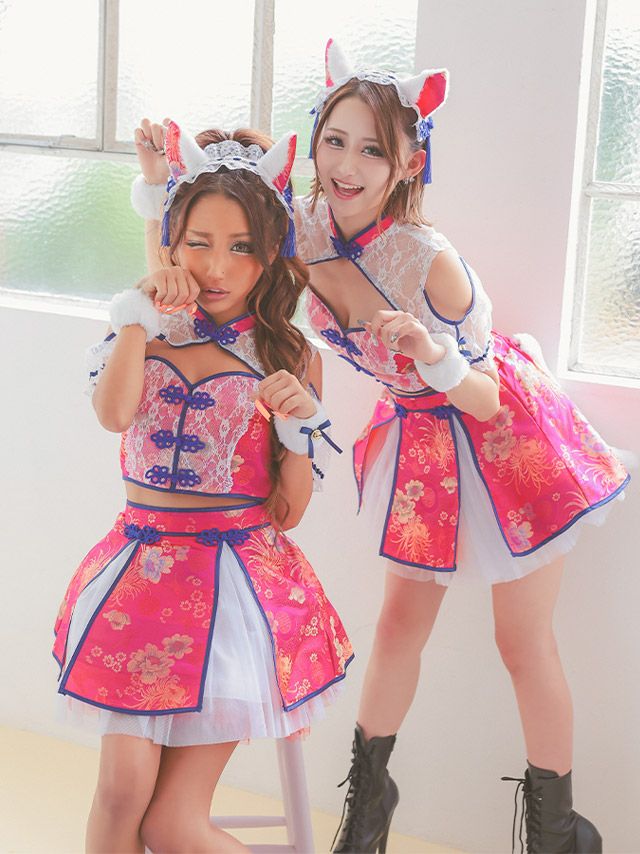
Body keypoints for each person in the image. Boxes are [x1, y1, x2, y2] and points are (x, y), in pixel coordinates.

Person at [132, 42, 628, 851]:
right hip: (421, 438)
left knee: (521, 642)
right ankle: (366, 815)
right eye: (334, 141)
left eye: (372, 149)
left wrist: (432, 356)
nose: (347, 165)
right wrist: (159, 185)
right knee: (398, 626)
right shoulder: (298, 227)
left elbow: (487, 397)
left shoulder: (428, 260)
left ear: (407, 164)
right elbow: (202, 252)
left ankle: (559, 831)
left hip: (506, 437)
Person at [53, 120, 352, 854]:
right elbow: (113, 415)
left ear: (271, 252)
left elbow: (288, 513)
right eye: (199, 243)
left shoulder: (291, 354)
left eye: (242, 246)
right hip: (138, 578)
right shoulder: (147, 327)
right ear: (172, 243)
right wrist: (136, 316)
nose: (218, 266)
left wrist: (298, 427)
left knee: (169, 822)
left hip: (237, 593)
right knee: (119, 794)